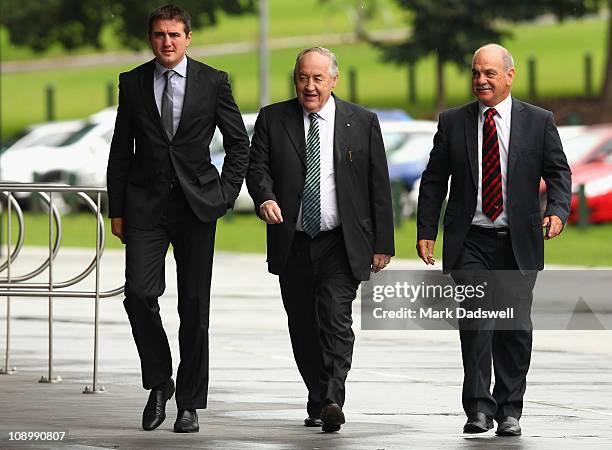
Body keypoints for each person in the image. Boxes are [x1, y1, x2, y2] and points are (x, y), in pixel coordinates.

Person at [106, 4, 249, 433]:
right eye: (158, 34)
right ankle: (160, 381)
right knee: (138, 295)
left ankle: (189, 403)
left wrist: (224, 195)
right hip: (145, 207)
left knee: (194, 307)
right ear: (150, 39)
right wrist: (117, 208)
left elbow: (238, 143)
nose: (166, 42)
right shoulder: (131, 83)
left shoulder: (213, 81)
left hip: (197, 206)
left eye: (174, 34)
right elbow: (120, 149)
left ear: (188, 38)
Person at [416, 44, 571, 436]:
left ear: (509, 75)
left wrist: (558, 209)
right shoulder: (453, 122)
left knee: (514, 326)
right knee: (477, 321)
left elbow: (559, 173)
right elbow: (434, 180)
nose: (480, 80)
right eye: (475, 73)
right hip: (471, 240)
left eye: (489, 73)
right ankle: (479, 409)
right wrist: (426, 231)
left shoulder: (538, 121)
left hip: (518, 241)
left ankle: (509, 409)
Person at [247, 47, 395, 432]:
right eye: (303, 78)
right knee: (302, 324)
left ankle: (332, 398)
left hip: (340, 241)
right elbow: (257, 168)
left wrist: (383, 243)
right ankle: (318, 394)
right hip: (292, 241)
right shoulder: (272, 119)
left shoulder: (361, 122)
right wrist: (264, 197)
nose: (309, 87)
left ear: (333, 80)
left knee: (335, 318)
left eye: (317, 79)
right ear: (294, 79)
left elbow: (378, 185)